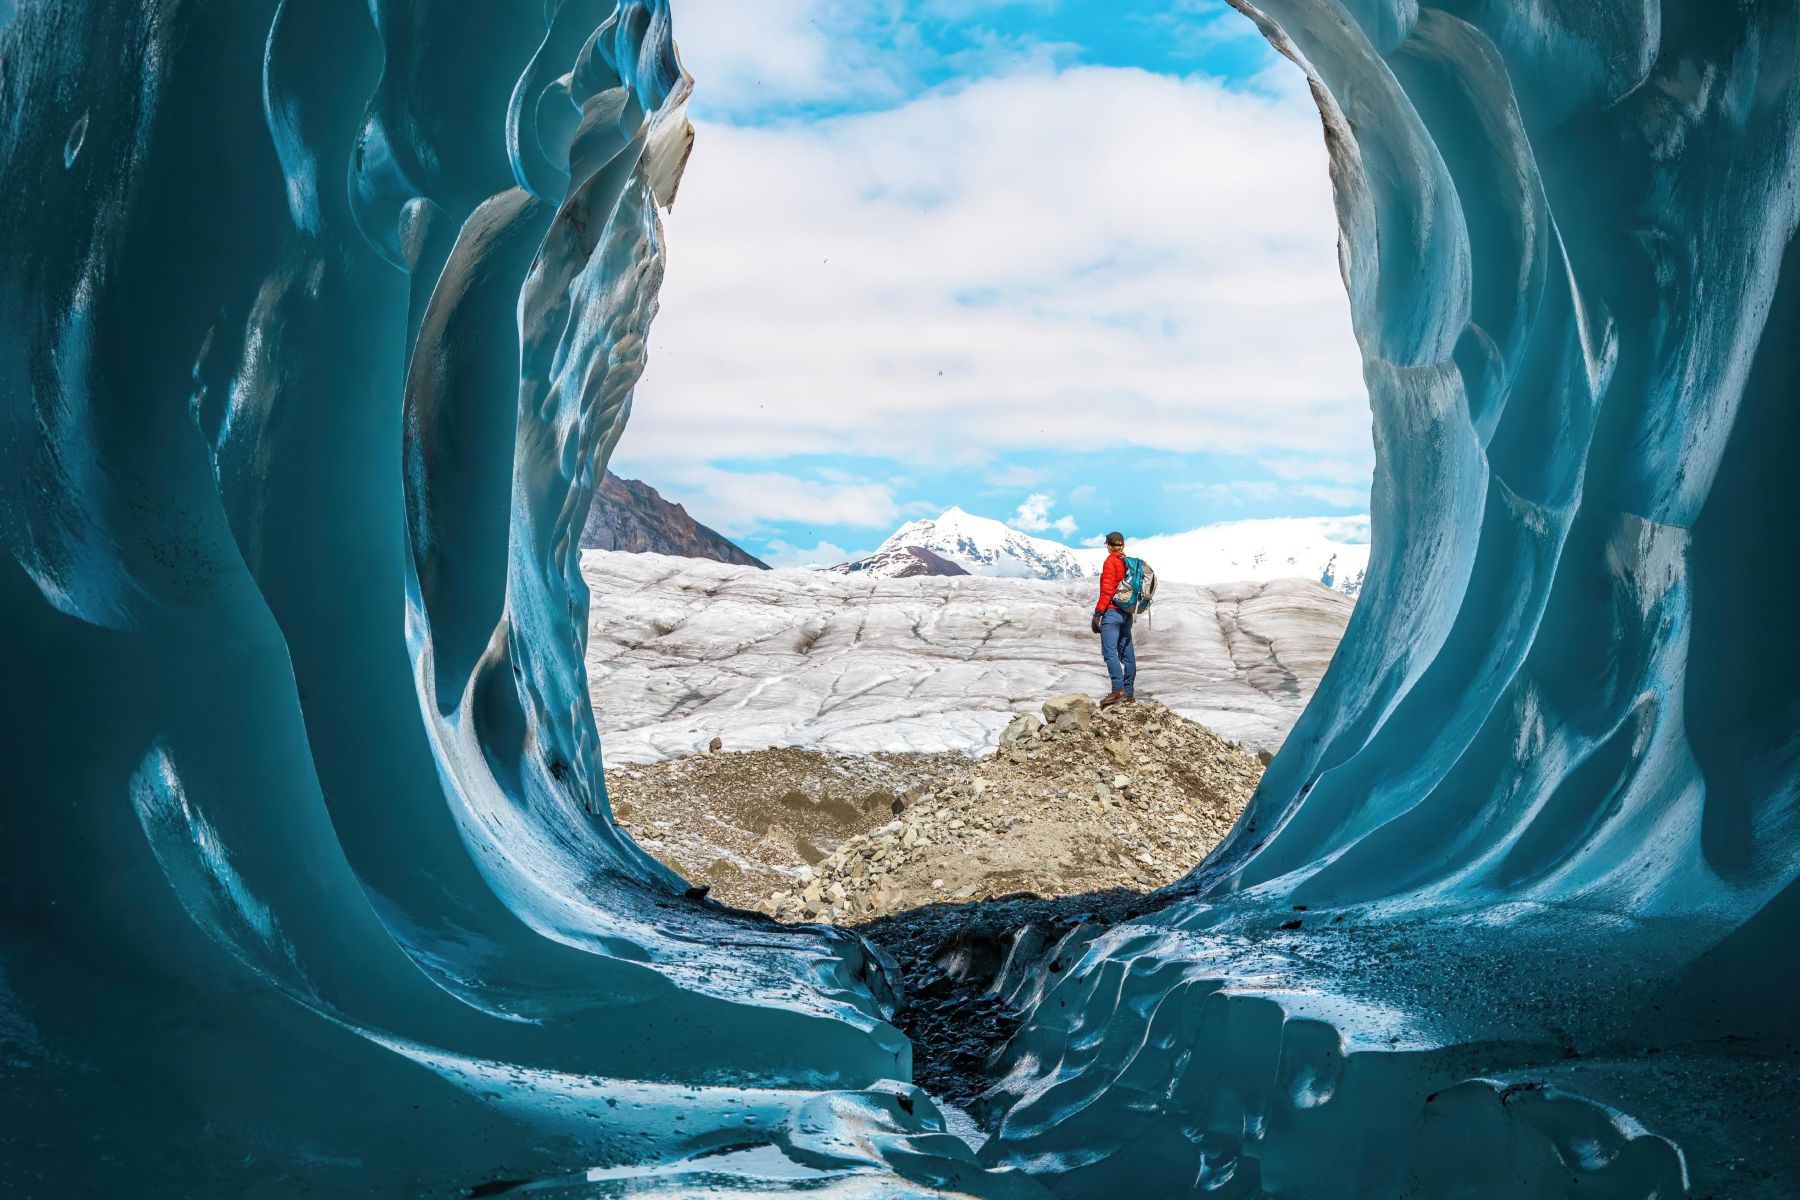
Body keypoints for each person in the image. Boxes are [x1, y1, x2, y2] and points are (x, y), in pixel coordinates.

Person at [1091, 531, 1135, 707]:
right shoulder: (1127, 562)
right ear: (1122, 545)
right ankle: (1129, 693)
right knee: (1127, 652)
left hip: (1113, 612)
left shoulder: (1111, 561)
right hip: (1127, 613)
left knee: (1109, 652)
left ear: (1108, 545)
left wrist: (1098, 613)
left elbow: (1108, 590)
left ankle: (1118, 691)